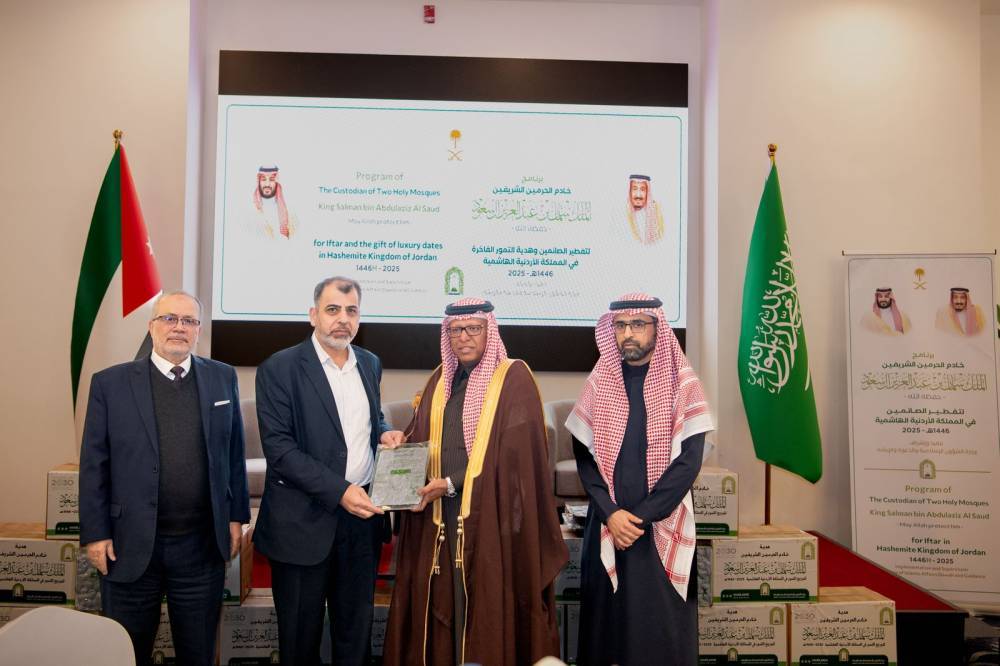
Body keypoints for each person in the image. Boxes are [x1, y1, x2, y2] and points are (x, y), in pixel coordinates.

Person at [383, 298, 567, 666]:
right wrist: (402, 441)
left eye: (473, 329)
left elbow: (514, 457)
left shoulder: (513, 379)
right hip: (438, 515)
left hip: (492, 519)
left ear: (489, 330)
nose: (463, 337)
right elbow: (425, 435)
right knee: (444, 602)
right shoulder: (440, 380)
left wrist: (451, 482)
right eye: (455, 330)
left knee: (483, 605)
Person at [79, 291, 249, 666]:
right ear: (152, 326)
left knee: (198, 652)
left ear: (198, 330)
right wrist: (95, 533)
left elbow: (233, 452)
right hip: (129, 545)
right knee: (127, 652)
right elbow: (94, 464)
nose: (178, 327)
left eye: (188, 321)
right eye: (169, 318)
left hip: (200, 547)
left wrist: (236, 516)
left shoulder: (222, 377)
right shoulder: (110, 384)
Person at [253, 276, 404, 666]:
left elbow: (368, 419)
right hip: (301, 525)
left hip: (361, 525)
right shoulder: (279, 368)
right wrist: (340, 491)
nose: (343, 319)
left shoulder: (369, 363)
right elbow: (281, 450)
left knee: (354, 639)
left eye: (351, 311)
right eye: (333, 309)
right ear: (313, 315)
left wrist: (384, 432)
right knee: (300, 643)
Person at [566, 293, 714, 666]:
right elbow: (584, 457)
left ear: (657, 328)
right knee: (606, 633)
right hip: (608, 525)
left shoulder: (682, 384)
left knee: (657, 633)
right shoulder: (600, 381)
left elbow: (688, 463)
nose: (627, 333)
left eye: (637, 324)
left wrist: (640, 517)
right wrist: (611, 513)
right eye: (620, 325)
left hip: (659, 527)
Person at [249, 165, 297, 239]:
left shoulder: (290, 210)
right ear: (259, 181)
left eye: (271, 180)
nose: (267, 184)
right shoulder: (251, 207)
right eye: (263, 179)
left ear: (276, 181)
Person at [626, 174, 665, 245]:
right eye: (634, 189)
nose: (638, 195)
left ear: (647, 192)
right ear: (630, 191)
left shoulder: (657, 212)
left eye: (642, 189)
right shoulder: (623, 213)